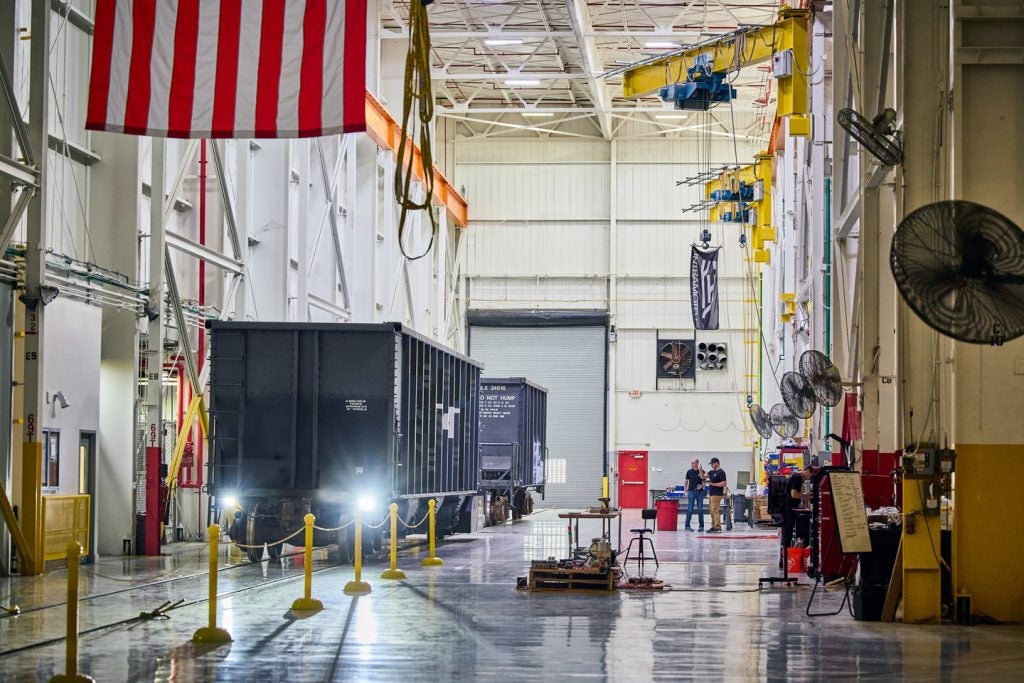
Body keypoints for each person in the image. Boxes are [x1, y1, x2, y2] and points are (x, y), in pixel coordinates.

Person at [783, 465, 817, 548]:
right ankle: (788, 554)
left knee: (788, 533)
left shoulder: (796, 476)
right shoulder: (797, 477)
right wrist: (806, 496)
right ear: (807, 471)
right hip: (789, 509)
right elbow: (794, 494)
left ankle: (787, 554)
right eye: (811, 476)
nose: (809, 478)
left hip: (788, 508)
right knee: (788, 534)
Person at [683, 459, 706, 531]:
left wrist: (702, 486)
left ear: (697, 463)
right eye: (691, 463)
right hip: (691, 492)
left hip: (700, 492)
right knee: (690, 509)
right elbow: (686, 482)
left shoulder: (702, 471)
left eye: (693, 463)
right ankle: (687, 526)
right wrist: (685, 491)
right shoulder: (689, 472)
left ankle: (701, 526)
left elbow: (704, 482)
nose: (692, 464)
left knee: (700, 509)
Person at [706, 458, 727, 533]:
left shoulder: (721, 472)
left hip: (717, 494)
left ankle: (718, 527)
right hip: (711, 494)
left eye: (712, 464)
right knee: (711, 510)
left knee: (715, 510)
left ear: (716, 463)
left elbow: (724, 483)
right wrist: (700, 470)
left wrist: (713, 484)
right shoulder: (711, 472)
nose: (711, 465)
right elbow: (703, 477)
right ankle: (713, 526)